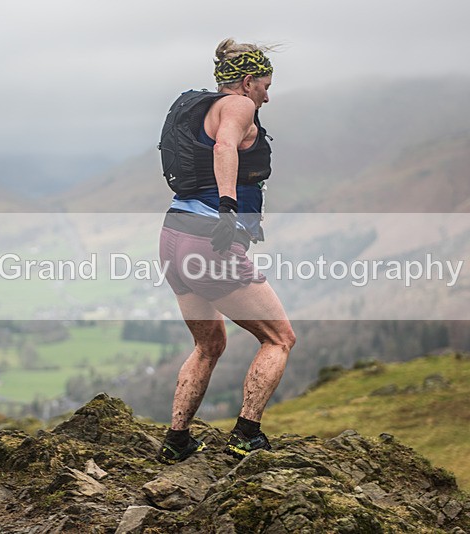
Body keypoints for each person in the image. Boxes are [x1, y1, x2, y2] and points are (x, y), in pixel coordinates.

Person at [156, 38, 296, 464]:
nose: (267, 95)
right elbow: (224, 147)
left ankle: (176, 440)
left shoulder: (197, 109)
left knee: (209, 343)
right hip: (209, 238)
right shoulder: (238, 106)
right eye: (265, 85)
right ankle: (246, 435)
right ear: (247, 81)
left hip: (173, 235)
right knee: (279, 338)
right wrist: (228, 208)